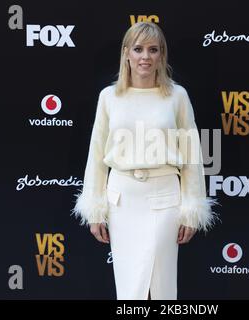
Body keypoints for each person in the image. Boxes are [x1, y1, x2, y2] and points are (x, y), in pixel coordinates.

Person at [72, 21, 219, 300]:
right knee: (129, 289)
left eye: (153, 50)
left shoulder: (177, 96)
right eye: (138, 49)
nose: (145, 57)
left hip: (164, 199)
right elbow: (96, 155)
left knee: (162, 287)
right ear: (126, 53)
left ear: (161, 55)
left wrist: (192, 208)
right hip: (121, 201)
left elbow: (192, 157)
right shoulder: (109, 97)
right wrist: (95, 208)